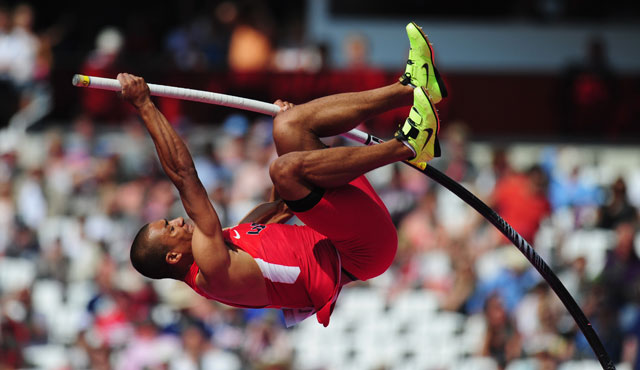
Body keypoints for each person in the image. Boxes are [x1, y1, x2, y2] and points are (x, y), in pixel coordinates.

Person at [122, 22, 447, 327]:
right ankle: (407, 145)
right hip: (363, 252)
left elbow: (283, 205)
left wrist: (298, 123)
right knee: (283, 170)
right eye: (169, 227)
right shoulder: (211, 268)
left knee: (288, 127)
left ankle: (411, 87)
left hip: (352, 230)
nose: (177, 221)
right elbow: (183, 175)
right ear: (174, 256)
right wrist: (145, 106)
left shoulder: (231, 240)